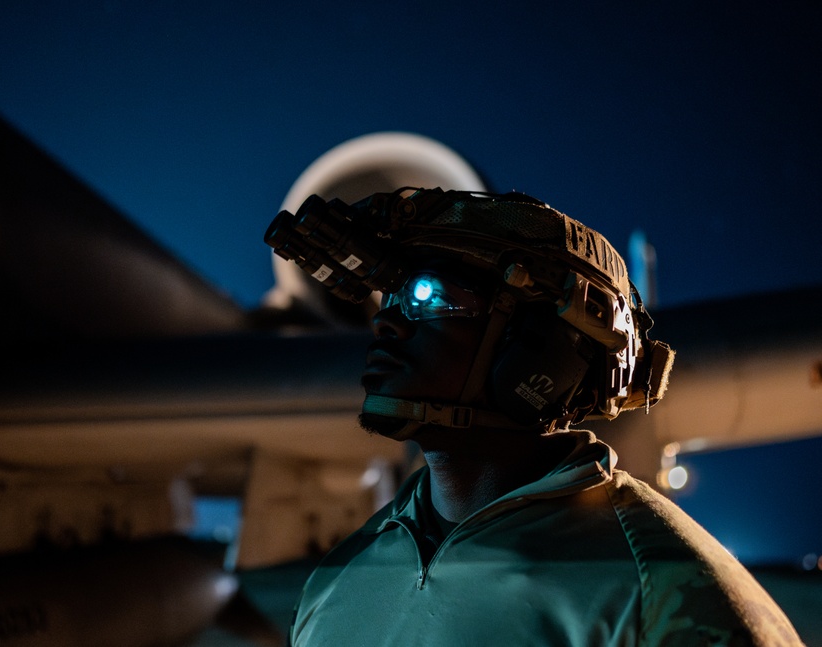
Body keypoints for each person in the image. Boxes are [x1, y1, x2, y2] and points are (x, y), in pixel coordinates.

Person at [264, 188, 802, 646]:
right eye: (389, 300)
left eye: (427, 297)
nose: (388, 325)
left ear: (541, 351)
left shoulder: (662, 593)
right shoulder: (339, 578)